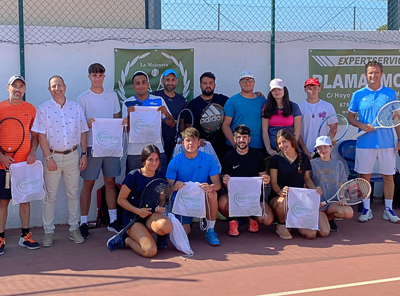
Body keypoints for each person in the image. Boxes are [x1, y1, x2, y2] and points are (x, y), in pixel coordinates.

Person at [32, 75, 89, 247]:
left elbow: (83, 132)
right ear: (49, 89)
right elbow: (41, 135)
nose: (57, 89)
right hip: (52, 157)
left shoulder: (76, 107)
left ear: (65, 86)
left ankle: (73, 229)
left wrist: (84, 153)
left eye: (59, 85)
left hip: (72, 156)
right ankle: (48, 232)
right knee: (50, 196)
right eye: (53, 86)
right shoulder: (43, 109)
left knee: (73, 193)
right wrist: (48, 157)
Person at [347, 61, 400, 223]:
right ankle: (366, 209)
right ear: (365, 75)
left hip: (387, 144)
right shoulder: (358, 95)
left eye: (376, 72)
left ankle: (388, 210)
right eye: (370, 73)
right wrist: (362, 125)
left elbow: (396, 119)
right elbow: (350, 117)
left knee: (389, 177)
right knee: (364, 178)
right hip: (364, 144)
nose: (373, 75)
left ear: (382, 74)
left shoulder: (390, 94)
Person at [77, 63, 123, 239]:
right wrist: (87, 124)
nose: (97, 78)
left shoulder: (112, 96)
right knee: (88, 184)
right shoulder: (83, 98)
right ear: (89, 76)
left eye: (100, 75)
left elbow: (117, 120)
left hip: (110, 146)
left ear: (104, 76)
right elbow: (80, 126)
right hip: (90, 146)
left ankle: (112, 221)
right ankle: (83, 222)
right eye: (94, 75)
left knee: (110, 183)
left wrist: (122, 124)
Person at [0, 75, 40, 255]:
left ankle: (25, 236)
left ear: (24, 90)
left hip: (24, 165)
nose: (17, 89)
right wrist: (1, 157)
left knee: (25, 201)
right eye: (14, 86)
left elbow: (35, 135)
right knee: (3, 202)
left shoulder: (30, 109)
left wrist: (32, 152)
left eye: (21, 86)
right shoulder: (0, 108)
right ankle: (1, 238)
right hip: (3, 166)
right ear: (8, 88)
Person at [166, 127, 222, 246]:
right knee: (184, 233)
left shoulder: (208, 159)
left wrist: (211, 187)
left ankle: (210, 230)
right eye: (187, 140)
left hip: (201, 198)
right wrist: (174, 186)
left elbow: (217, 184)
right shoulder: (175, 161)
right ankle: (187, 222)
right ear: (183, 143)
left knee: (213, 193)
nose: (191, 143)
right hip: (183, 201)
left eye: (194, 140)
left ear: (199, 143)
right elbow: (167, 189)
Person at [117, 145, 172, 258]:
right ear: (144, 160)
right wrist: (138, 211)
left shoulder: (160, 176)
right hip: (133, 219)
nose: (154, 163)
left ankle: (152, 235)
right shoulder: (133, 176)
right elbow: (120, 200)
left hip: (150, 216)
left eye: (157, 159)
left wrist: (160, 207)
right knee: (150, 251)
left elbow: (162, 199)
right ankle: (126, 240)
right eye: (150, 159)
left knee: (166, 226)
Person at [219, 125, 273, 236]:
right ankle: (233, 221)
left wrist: (266, 179)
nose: (241, 140)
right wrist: (225, 181)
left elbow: (263, 176)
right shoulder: (228, 156)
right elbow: (226, 185)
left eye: (244, 137)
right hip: (236, 197)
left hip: (254, 197)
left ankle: (252, 218)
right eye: (239, 137)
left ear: (249, 139)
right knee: (222, 202)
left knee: (267, 220)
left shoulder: (257, 155)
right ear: (234, 139)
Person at [269, 129, 322, 239]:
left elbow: (307, 178)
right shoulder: (275, 159)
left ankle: (294, 223)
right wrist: (280, 192)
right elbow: (273, 182)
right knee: (283, 202)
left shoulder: (304, 158)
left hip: (298, 200)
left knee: (311, 235)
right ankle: (281, 225)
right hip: (278, 198)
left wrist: (314, 190)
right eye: (279, 143)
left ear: (291, 141)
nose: (282, 145)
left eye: (284, 141)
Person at [122, 71, 175, 175]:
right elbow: (125, 130)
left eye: (143, 82)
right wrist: (128, 116)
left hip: (157, 150)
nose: (141, 85)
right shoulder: (127, 103)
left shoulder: (159, 100)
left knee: (159, 186)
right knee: (134, 187)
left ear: (148, 85)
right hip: (135, 152)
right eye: (137, 83)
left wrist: (166, 114)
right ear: (133, 86)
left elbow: (172, 124)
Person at [310, 136, 353, 233]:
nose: (322, 150)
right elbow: (307, 183)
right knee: (324, 232)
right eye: (319, 148)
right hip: (318, 205)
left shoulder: (338, 164)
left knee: (348, 212)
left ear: (331, 148)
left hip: (332, 204)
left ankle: (329, 219)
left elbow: (341, 184)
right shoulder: (312, 163)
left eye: (325, 147)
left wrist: (342, 198)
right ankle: (322, 219)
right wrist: (313, 200)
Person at [187, 72, 230, 162]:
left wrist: (256, 94)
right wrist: (197, 139)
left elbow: (239, 101)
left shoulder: (223, 100)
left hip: (222, 147)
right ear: (200, 85)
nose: (208, 86)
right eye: (205, 83)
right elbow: (188, 128)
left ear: (214, 85)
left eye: (211, 83)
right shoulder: (193, 104)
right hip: (202, 147)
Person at [222, 71, 266, 154]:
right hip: (236, 148)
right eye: (243, 80)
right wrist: (235, 144)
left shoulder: (263, 101)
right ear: (239, 83)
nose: (247, 83)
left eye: (250, 80)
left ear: (254, 82)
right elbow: (225, 125)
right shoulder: (232, 101)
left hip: (258, 147)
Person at [151, 69, 186, 160]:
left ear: (176, 81)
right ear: (162, 81)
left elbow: (182, 121)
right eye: (167, 80)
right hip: (156, 139)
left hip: (174, 141)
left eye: (173, 80)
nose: (170, 82)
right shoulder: (154, 96)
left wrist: (181, 136)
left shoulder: (181, 99)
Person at [298, 78, 337, 159]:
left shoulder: (328, 106)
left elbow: (334, 126)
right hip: (304, 151)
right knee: (307, 172)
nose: (312, 91)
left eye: (315, 88)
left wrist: (325, 144)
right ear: (305, 89)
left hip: (323, 152)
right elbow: (296, 130)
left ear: (319, 89)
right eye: (309, 88)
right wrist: (305, 149)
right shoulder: (300, 107)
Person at [262, 78, 302, 156]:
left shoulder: (294, 107)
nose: (277, 92)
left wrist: (292, 146)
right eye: (274, 90)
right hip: (273, 150)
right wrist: (269, 149)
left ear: (284, 90)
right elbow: (264, 130)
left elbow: (297, 129)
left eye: (279, 89)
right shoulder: (266, 107)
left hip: (290, 148)